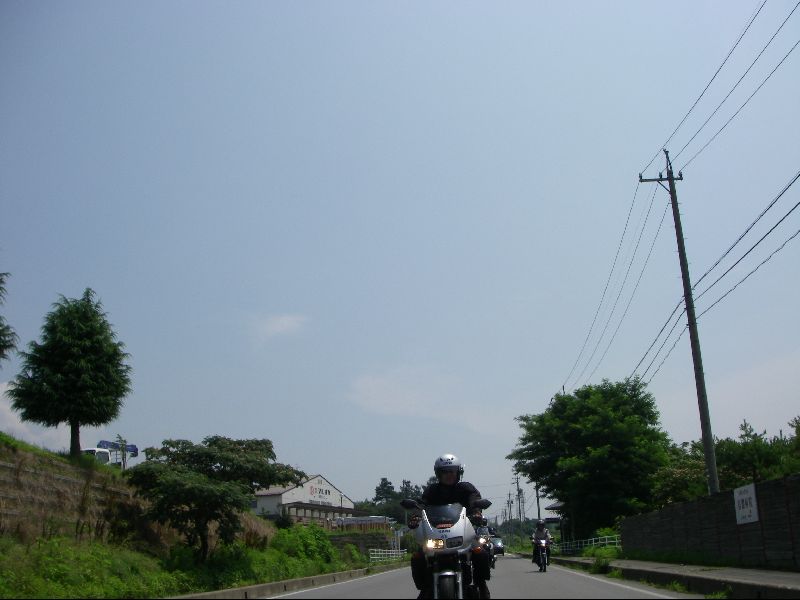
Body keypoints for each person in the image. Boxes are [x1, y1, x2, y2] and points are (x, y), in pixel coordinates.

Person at [408, 454, 491, 599]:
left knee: (481, 553)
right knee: (418, 557)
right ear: (438, 474)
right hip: (436, 534)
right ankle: (425, 588)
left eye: (452, 471)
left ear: (458, 472)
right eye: (444, 472)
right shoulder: (432, 491)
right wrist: (415, 516)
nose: (449, 475)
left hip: (462, 533)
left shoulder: (465, 488)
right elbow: (421, 504)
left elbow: (474, 499)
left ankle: (481, 585)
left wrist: (477, 512)